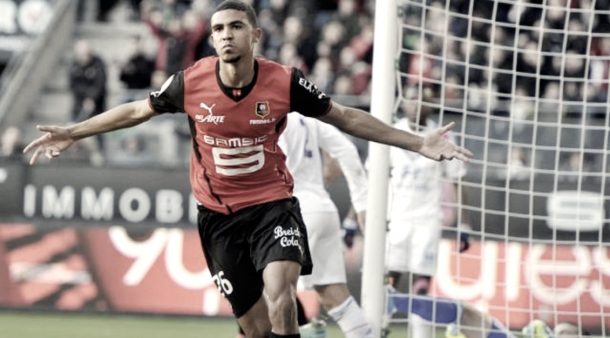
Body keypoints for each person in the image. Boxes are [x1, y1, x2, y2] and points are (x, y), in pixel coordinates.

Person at [22, 1, 473, 337]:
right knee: (256, 327)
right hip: (217, 218)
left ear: (255, 35)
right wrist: (75, 131)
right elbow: (135, 112)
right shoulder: (190, 81)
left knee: (283, 297)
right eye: (218, 28)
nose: (225, 35)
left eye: (236, 26)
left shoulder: (284, 81)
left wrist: (418, 143)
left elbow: (347, 118)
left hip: (273, 206)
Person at [384, 86, 471, 338]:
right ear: (403, 102)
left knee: (422, 282)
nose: (418, 103)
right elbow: (373, 176)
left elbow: (458, 181)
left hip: (427, 220)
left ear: (433, 105)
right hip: (395, 218)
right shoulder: (390, 132)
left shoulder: (444, 136)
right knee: (390, 277)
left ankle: (420, 334)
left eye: (425, 99)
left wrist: (464, 225)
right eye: (413, 98)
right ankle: (379, 326)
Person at [278, 114, 372, 337]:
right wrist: (361, 203)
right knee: (334, 295)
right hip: (322, 208)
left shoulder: (268, 113)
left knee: (270, 291)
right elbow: (347, 149)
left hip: (292, 210)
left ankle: (309, 334)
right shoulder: (307, 115)